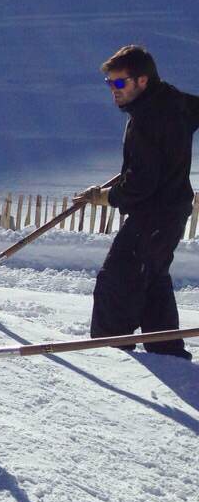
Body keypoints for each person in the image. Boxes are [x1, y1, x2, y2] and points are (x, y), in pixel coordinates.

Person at [77, 45, 199, 359]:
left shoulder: (148, 117)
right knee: (152, 277)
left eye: (120, 83)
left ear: (142, 81)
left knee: (117, 279)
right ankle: (167, 351)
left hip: (154, 214)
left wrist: (106, 197)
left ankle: (108, 353)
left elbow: (141, 183)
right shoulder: (171, 100)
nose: (113, 91)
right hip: (171, 210)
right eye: (109, 84)